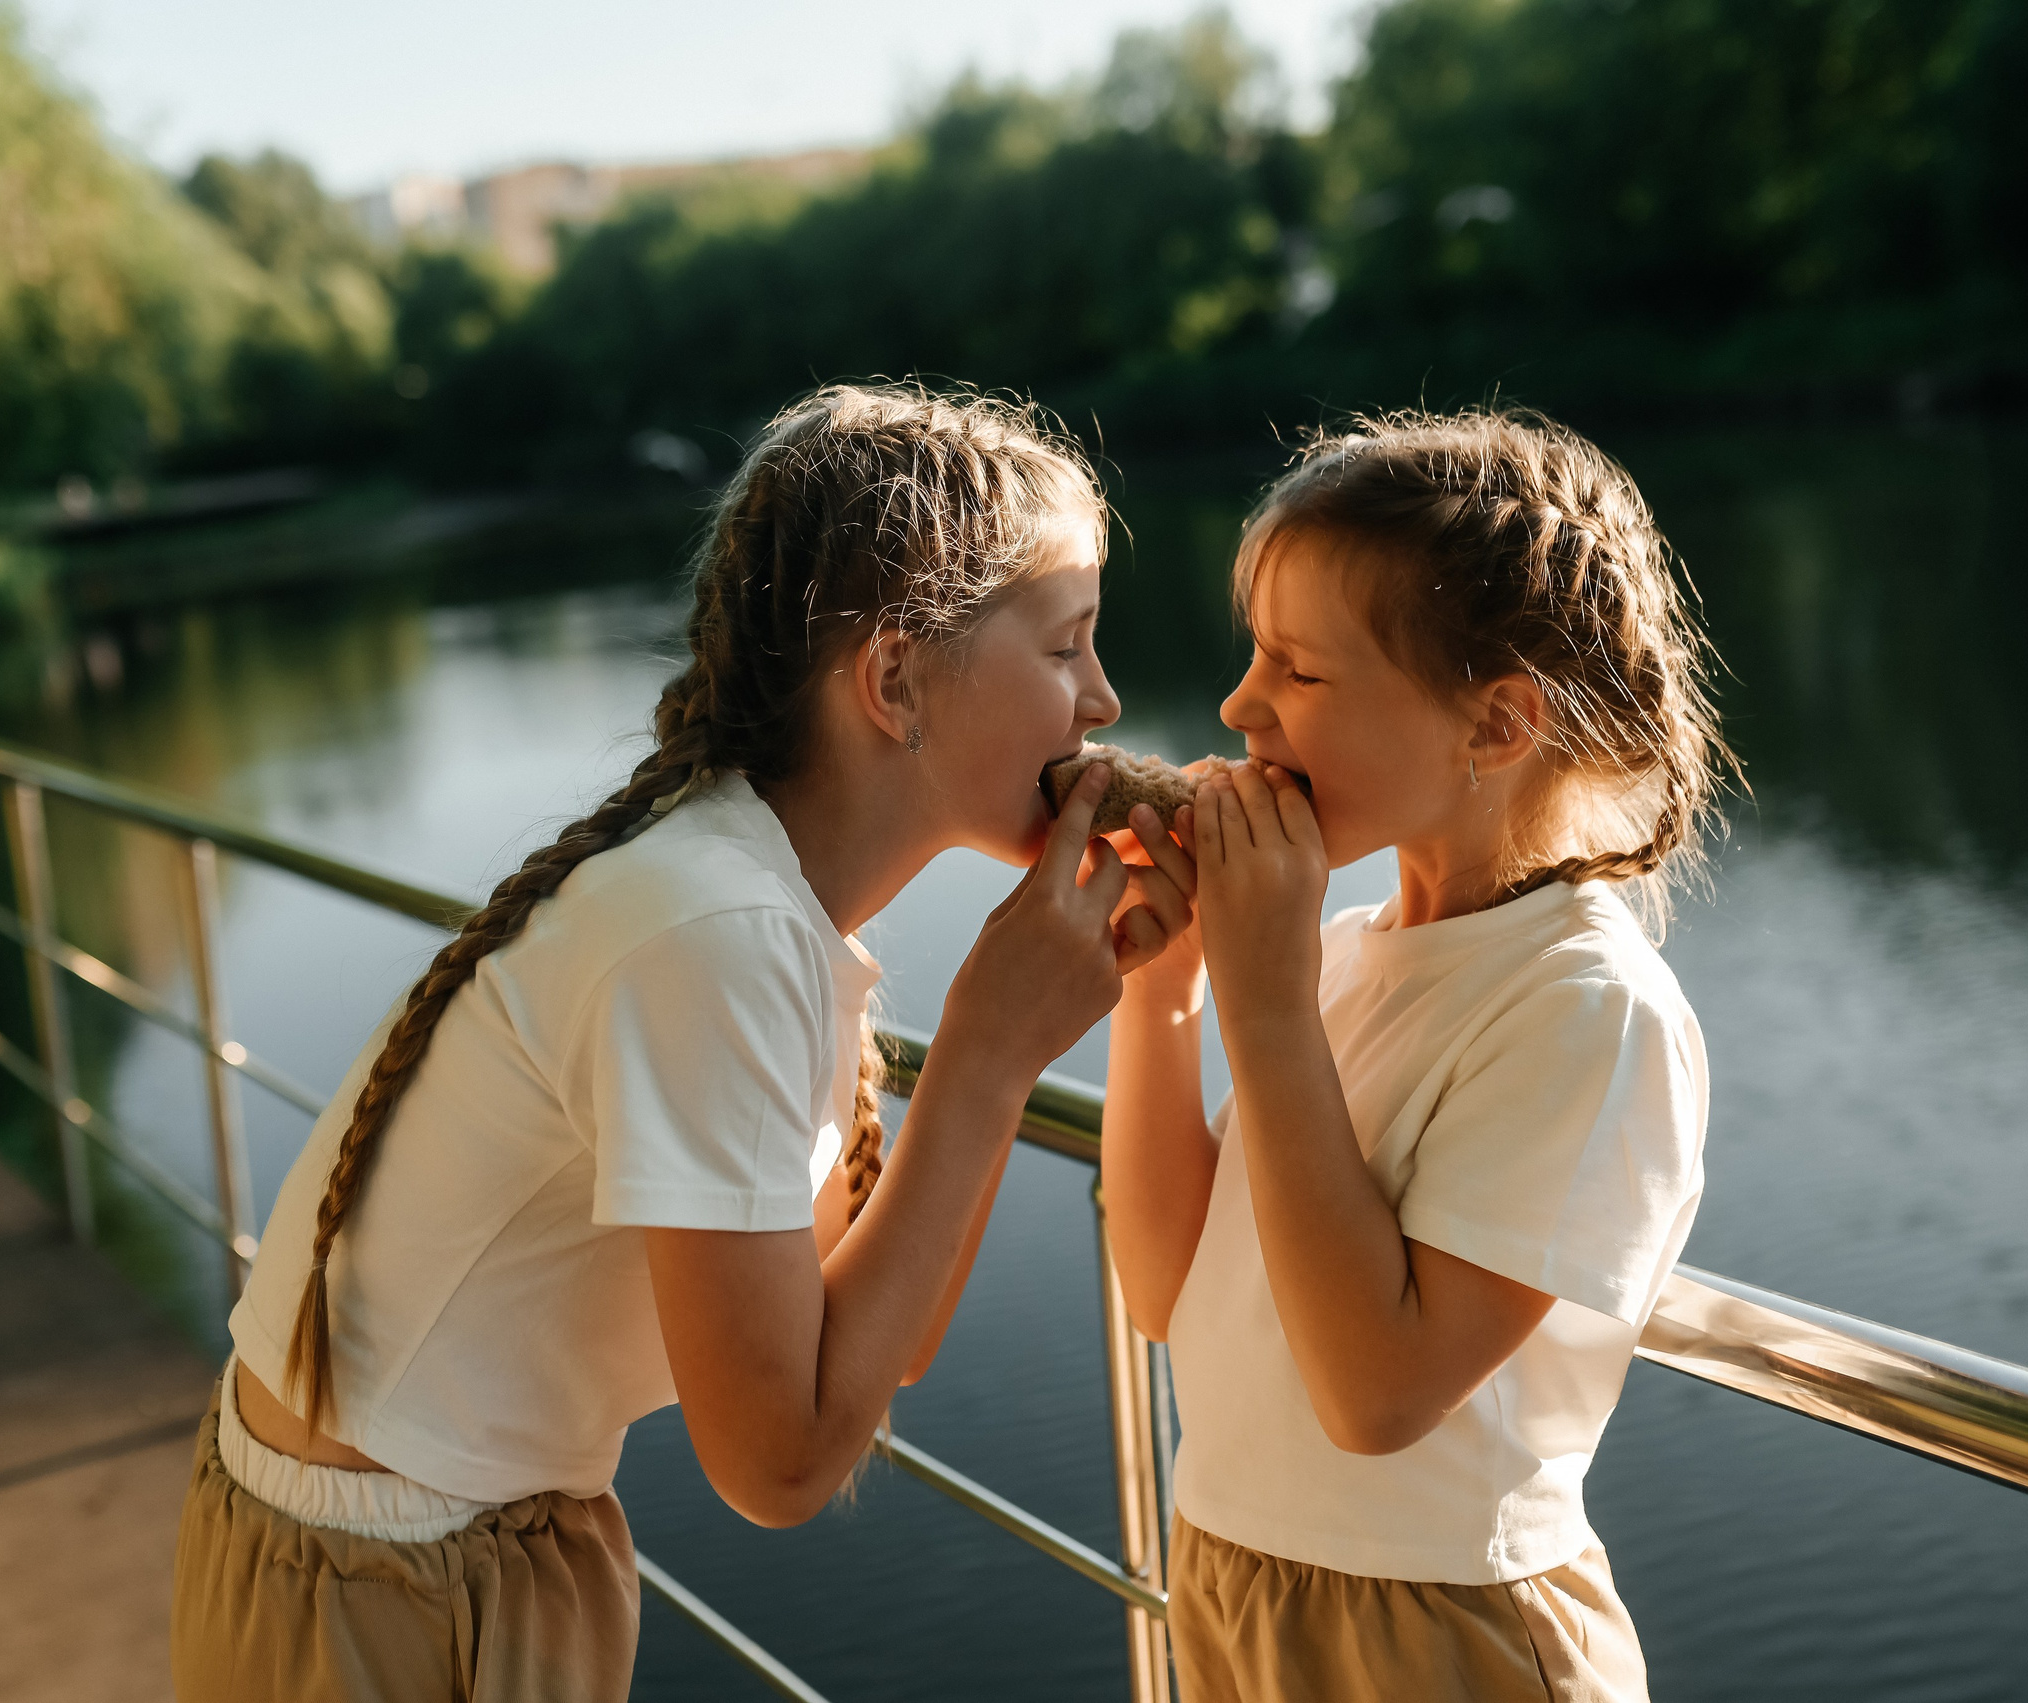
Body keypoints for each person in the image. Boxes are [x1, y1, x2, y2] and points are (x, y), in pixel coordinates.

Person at [170, 383, 1197, 1701]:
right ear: (893, 679)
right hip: (379, 1590)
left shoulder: (761, 898)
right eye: (1067, 648)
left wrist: (1006, 1050)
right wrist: (990, 1057)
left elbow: (875, 1338)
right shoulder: (712, 932)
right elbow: (778, 1466)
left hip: (439, 1547)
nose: (1104, 703)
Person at [1101, 409, 1732, 1702]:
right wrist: (1166, 990)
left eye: (1300, 673)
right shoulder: (1336, 955)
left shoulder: (1586, 1009)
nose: (1238, 708)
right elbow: (1173, 1297)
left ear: (1495, 725)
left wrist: (1264, 1007)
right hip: (1227, 1574)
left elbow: (1378, 1397)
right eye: (1252, 661)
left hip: (1443, 1634)